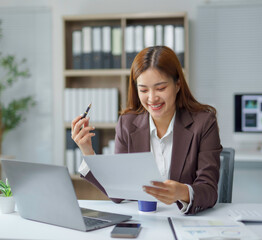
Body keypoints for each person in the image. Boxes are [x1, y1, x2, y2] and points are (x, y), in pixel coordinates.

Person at [71, 46, 222, 215]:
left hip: (185, 222)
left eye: (160, 88)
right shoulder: (127, 124)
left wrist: (182, 192)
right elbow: (119, 192)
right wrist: (88, 152)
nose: (152, 98)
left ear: (178, 84)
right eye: (143, 90)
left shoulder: (204, 123)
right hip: (145, 221)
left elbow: (209, 189)